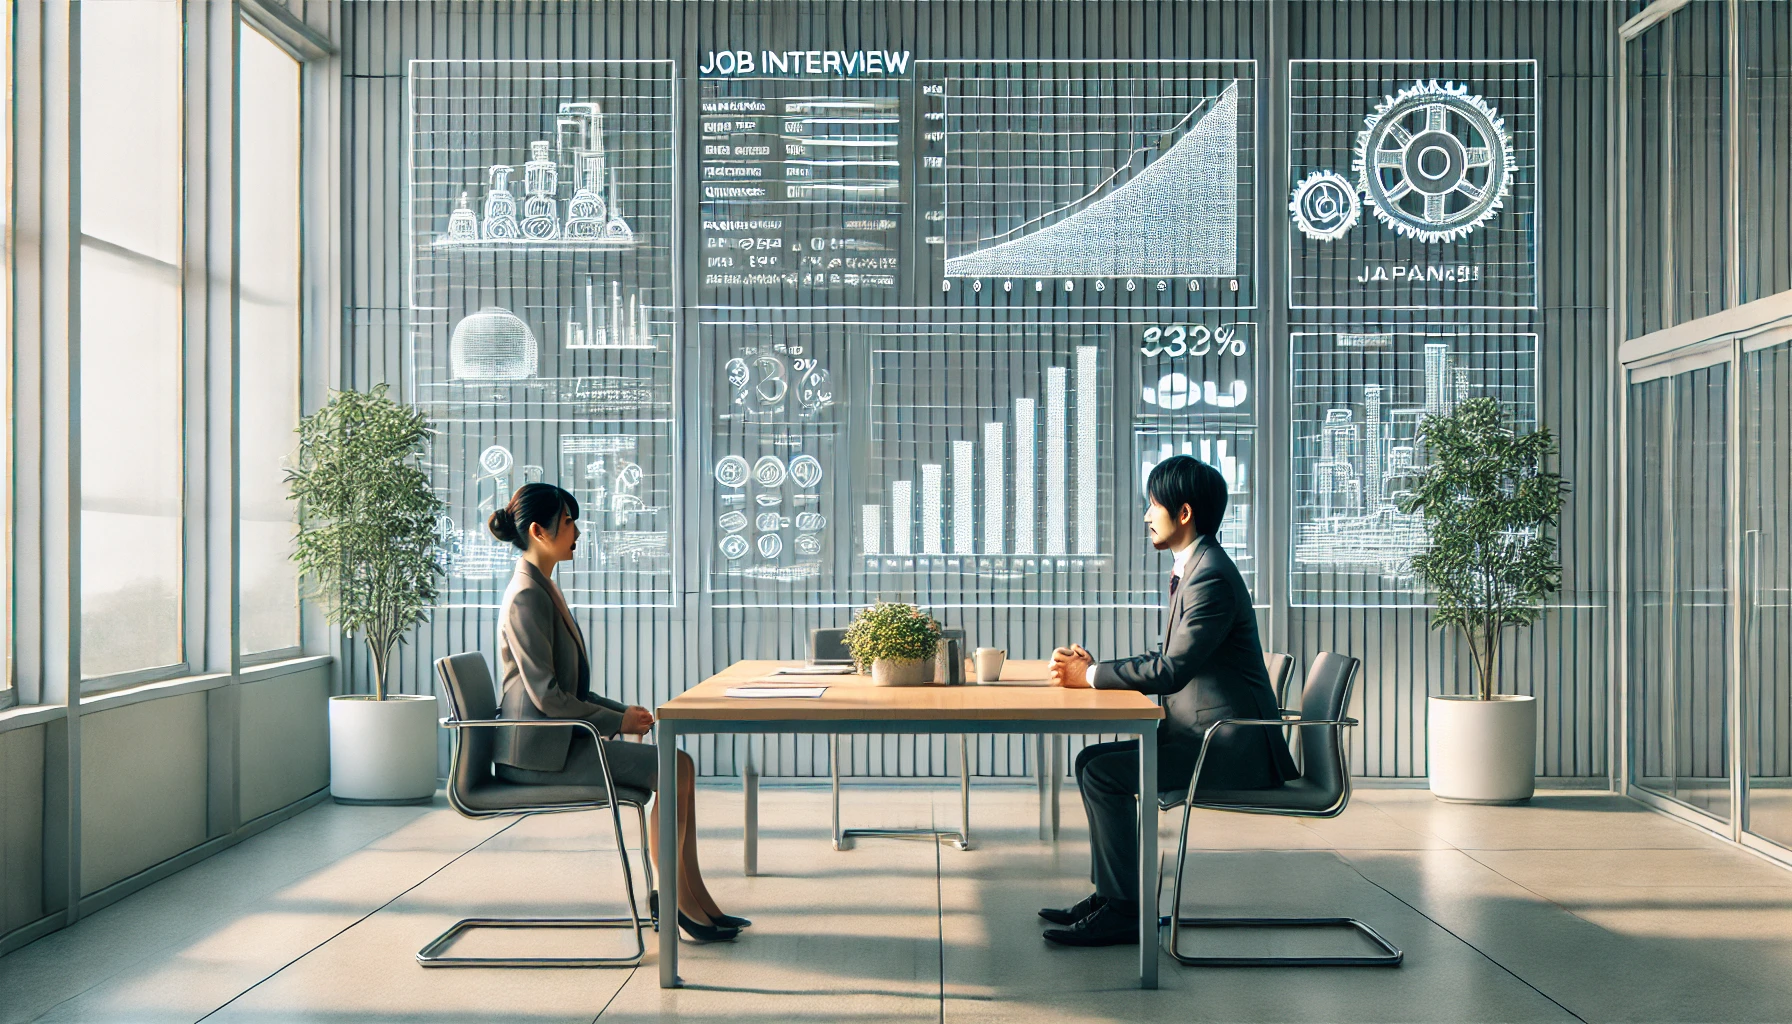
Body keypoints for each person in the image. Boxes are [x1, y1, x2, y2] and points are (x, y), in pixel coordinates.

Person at [1040, 455, 1297, 947]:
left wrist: (1090, 675)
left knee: (1099, 772)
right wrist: (1095, 670)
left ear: (1183, 513)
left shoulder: (1210, 576)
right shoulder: (1197, 566)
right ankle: (1115, 895)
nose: (1145, 516)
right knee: (1092, 761)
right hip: (1205, 737)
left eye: (1152, 505)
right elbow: (1173, 658)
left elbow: (1172, 670)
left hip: (1227, 748)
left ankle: (1123, 909)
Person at [488, 482, 745, 943]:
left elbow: (566, 689)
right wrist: (618, 722)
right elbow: (548, 697)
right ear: (538, 531)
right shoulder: (527, 594)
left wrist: (622, 712)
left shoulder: (541, 587)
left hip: (558, 741)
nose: (577, 531)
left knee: (679, 768)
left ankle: (693, 897)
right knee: (676, 767)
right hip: (537, 755)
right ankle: (679, 901)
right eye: (568, 522)